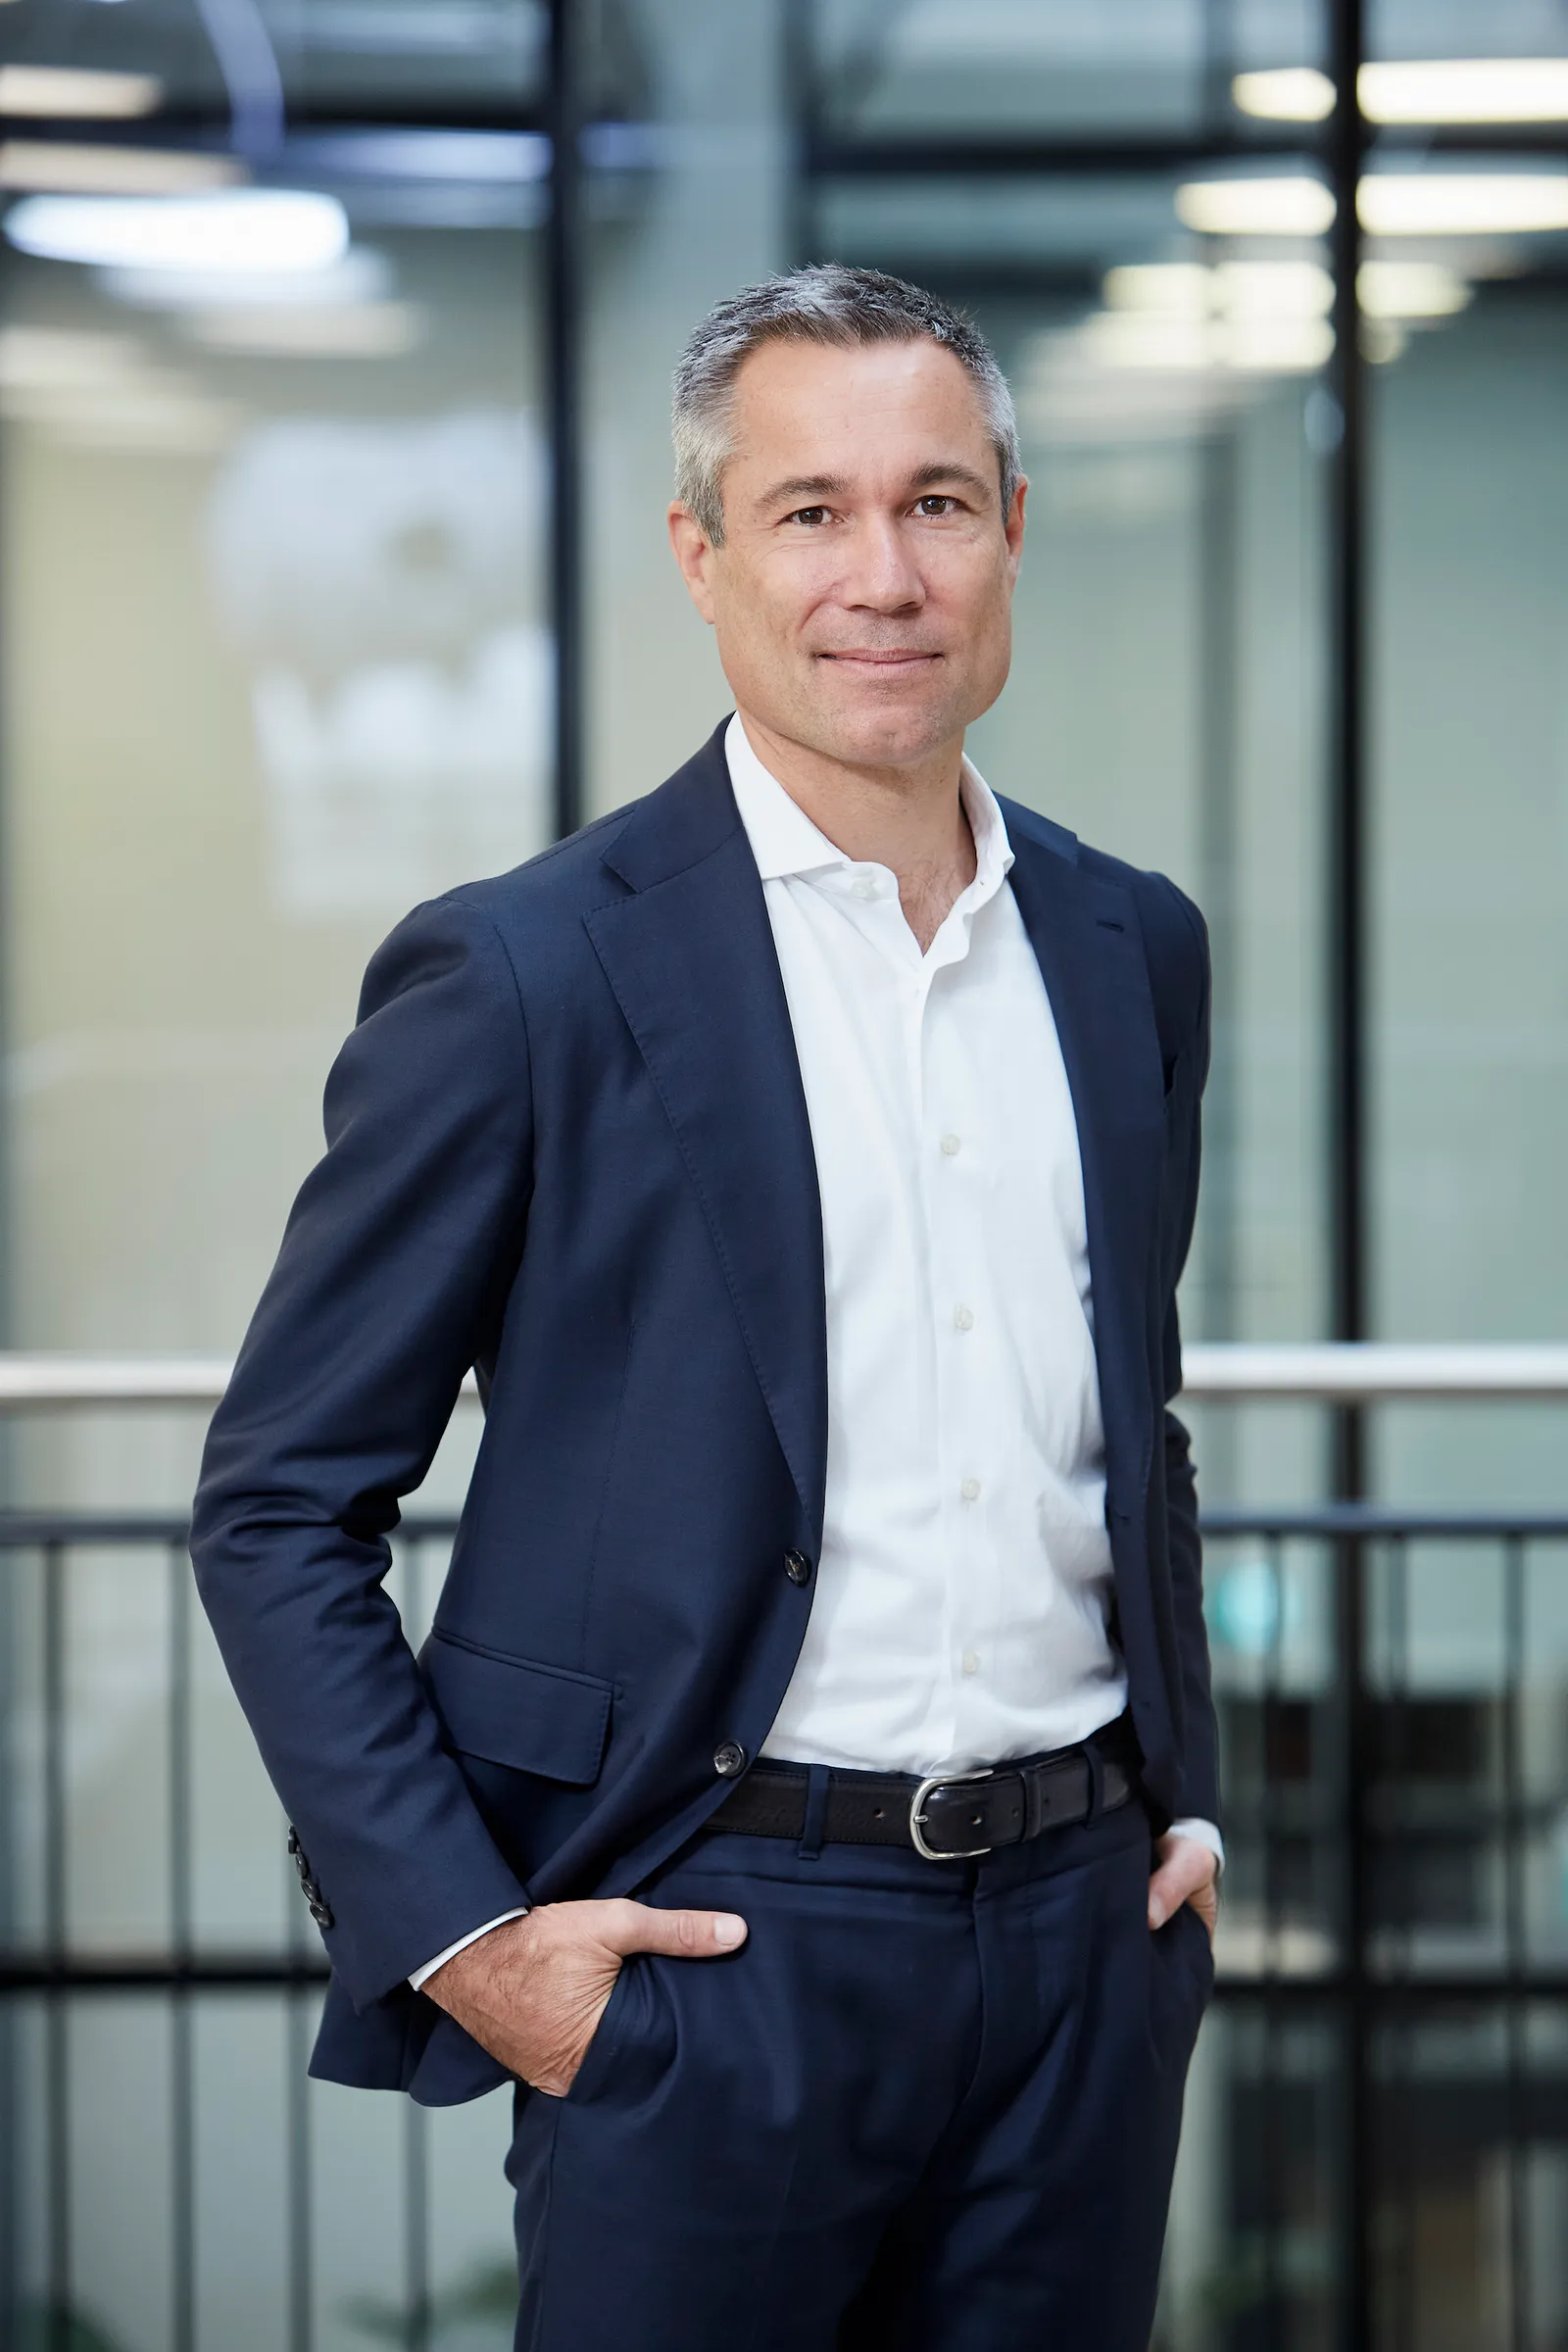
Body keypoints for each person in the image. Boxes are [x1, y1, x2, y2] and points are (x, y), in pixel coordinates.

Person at [191, 264, 1220, 2351]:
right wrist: (470, 1934)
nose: (883, 576)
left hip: (1071, 1948)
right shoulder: (522, 978)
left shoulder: (1127, 949)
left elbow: (1124, 1420)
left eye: (934, 503)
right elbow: (279, 1504)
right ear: (699, 555)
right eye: (808, 512)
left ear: (1010, 526)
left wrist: (1177, 1810)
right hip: (711, 1950)